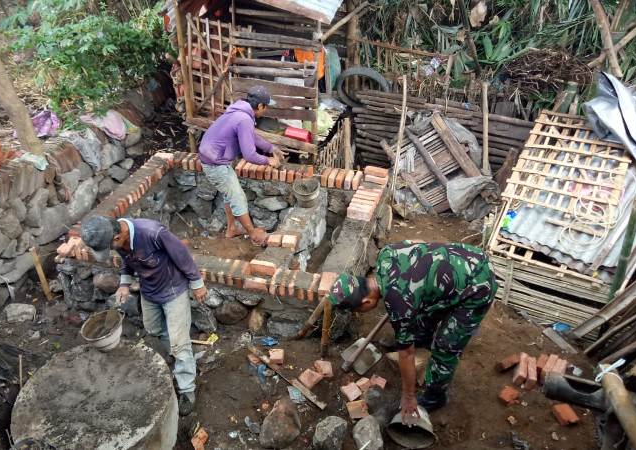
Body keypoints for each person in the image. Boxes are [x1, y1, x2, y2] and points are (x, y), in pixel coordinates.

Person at [327, 241, 497, 422]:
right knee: (422, 312)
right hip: (467, 256)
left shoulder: (399, 304)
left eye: (358, 311)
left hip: (478, 285)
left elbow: (406, 354)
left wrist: (408, 396)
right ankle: (421, 338)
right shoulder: (386, 254)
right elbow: (420, 244)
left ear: (366, 303)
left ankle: (436, 397)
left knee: (445, 347)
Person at [80, 215, 207, 416]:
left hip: (173, 289)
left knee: (179, 343)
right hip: (150, 291)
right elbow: (126, 262)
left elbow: (182, 255)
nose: (113, 249)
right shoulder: (118, 238)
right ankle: (179, 355)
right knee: (154, 329)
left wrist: (197, 283)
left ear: (117, 236)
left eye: (111, 246)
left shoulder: (152, 232)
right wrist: (124, 284)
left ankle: (187, 388)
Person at [199, 85, 285, 246]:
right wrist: (268, 161)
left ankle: (231, 228)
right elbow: (249, 155)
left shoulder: (238, 112)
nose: (265, 111)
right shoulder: (244, 118)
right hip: (215, 163)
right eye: (265, 107)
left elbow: (251, 136)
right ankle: (254, 235)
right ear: (260, 106)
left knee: (229, 195)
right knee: (237, 197)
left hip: (212, 157)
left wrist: (271, 148)